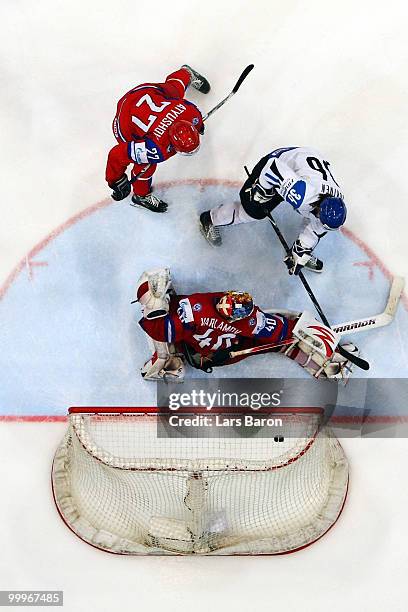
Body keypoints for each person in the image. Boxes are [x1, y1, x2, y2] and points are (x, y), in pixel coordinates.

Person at [134, 268, 359, 381]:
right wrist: (318, 340)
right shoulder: (252, 322)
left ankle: (171, 365)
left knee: (159, 325)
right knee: (282, 341)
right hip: (220, 352)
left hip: (201, 349)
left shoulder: (195, 307)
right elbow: (286, 330)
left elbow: (156, 327)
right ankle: (328, 364)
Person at [199, 146, 347, 274]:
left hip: (300, 170)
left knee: (311, 221)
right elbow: (273, 166)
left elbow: (316, 229)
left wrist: (301, 252)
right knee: (253, 211)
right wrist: (262, 189)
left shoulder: (333, 203)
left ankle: (300, 250)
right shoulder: (302, 195)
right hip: (280, 163)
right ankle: (209, 219)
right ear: (319, 209)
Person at [106, 65, 210, 212]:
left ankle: (186, 73)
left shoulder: (191, 113)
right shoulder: (155, 147)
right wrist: (115, 180)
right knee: (145, 164)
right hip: (125, 117)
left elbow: (195, 120)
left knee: (173, 90)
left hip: (145, 92)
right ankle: (140, 196)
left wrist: (197, 126)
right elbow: (117, 154)